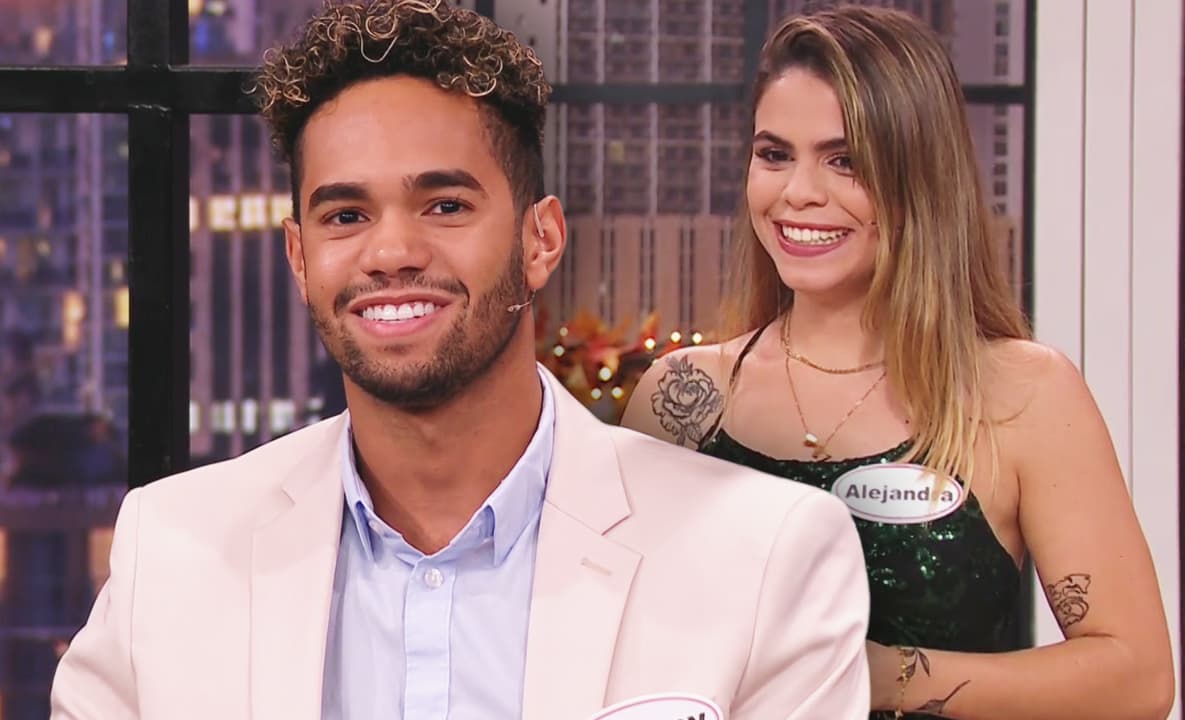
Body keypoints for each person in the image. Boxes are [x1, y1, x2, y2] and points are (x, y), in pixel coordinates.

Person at [49, 2, 872, 718]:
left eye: (444, 205)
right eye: (346, 216)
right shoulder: (172, 552)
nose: (391, 252)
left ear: (540, 239)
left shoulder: (764, 556)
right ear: (299, 258)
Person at [623, 6, 1175, 719]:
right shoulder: (680, 397)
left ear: (920, 177)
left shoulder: (1023, 395)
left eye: (845, 161)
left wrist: (875, 676)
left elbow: (1136, 678)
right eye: (775, 155)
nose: (799, 192)